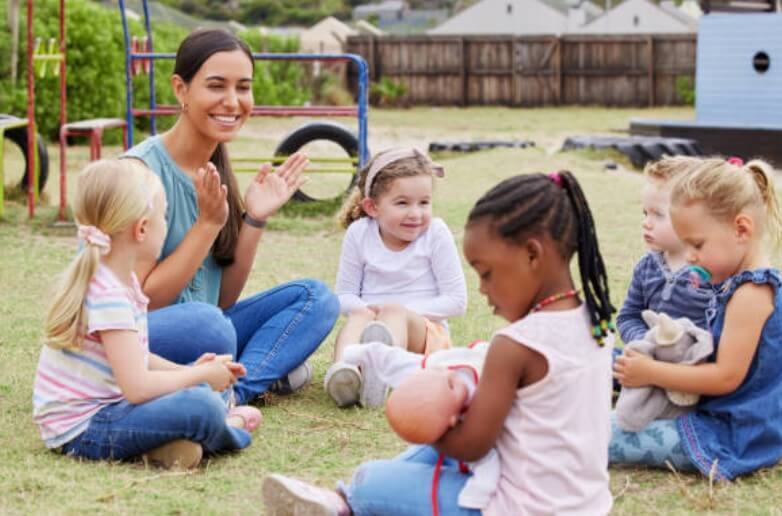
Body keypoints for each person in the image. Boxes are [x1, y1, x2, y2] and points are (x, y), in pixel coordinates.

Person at [262, 170, 617, 515]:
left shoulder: (516, 346)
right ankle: (346, 499)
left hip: (519, 506)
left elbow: (471, 447)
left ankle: (347, 503)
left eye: (487, 274)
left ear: (532, 254)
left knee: (371, 480)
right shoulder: (595, 324)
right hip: (585, 504)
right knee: (425, 461)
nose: (483, 291)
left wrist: (427, 418)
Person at [123, 29, 339, 406]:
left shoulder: (214, 169)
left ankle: (234, 392)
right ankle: (252, 369)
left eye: (243, 87)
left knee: (315, 298)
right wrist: (206, 225)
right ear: (181, 89)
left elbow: (222, 298)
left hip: (207, 331)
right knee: (210, 326)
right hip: (136, 338)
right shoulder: (137, 174)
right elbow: (142, 304)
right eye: (216, 86)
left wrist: (254, 219)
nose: (233, 101)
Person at [33, 159, 260, 469]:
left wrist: (192, 371)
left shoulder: (122, 281)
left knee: (199, 385)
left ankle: (165, 447)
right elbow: (137, 387)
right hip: (86, 430)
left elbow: (138, 357)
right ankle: (229, 428)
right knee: (201, 405)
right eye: (163, 217)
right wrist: (198, 377)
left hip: (114, 408)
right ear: (141, 229)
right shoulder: (108, 294)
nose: (166, 225)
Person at [612, 157, 782, 480]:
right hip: (717, 416)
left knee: (604, 435)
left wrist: (650, 371)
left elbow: (724, 378)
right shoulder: (736, 284)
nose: (689, 257)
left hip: (733, 434)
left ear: (741, 229)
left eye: (697, 244)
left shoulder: (752, 294)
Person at [325, 147, 467, 408]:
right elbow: (344, 296)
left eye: (424, 202)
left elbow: (456, 302)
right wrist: (369, 310)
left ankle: (382, 378)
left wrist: (397, 311)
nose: (415, 213)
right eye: (402, 203)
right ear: (372, 207)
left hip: (425, 337)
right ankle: (345, 373)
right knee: (359, 315)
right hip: (370, 326)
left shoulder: (435, 233)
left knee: (393, 312)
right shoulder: (359, 233)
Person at [341, 340, 500, 510]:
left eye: (447, 379)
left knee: (366, 481)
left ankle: (351, 501)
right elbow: (487, 463)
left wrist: (367, 352)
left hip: (500, 496)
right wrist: (477, 494)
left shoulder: (441, 372)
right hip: (472, 459)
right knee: (381, 473)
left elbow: (397, 363)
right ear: (452, 420)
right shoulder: (439, 380)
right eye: (451, 386)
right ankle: (352, 499)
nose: (449, 375)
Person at [616, 156, 713, 344]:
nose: (646, 223)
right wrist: (647, 342)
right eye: (645, 213)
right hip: (650, 354)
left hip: (697, 357)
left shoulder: (714, 270)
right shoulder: (647, 266)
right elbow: (629, 317)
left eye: (658, 215)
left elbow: (724, 327)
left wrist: (691, 350)